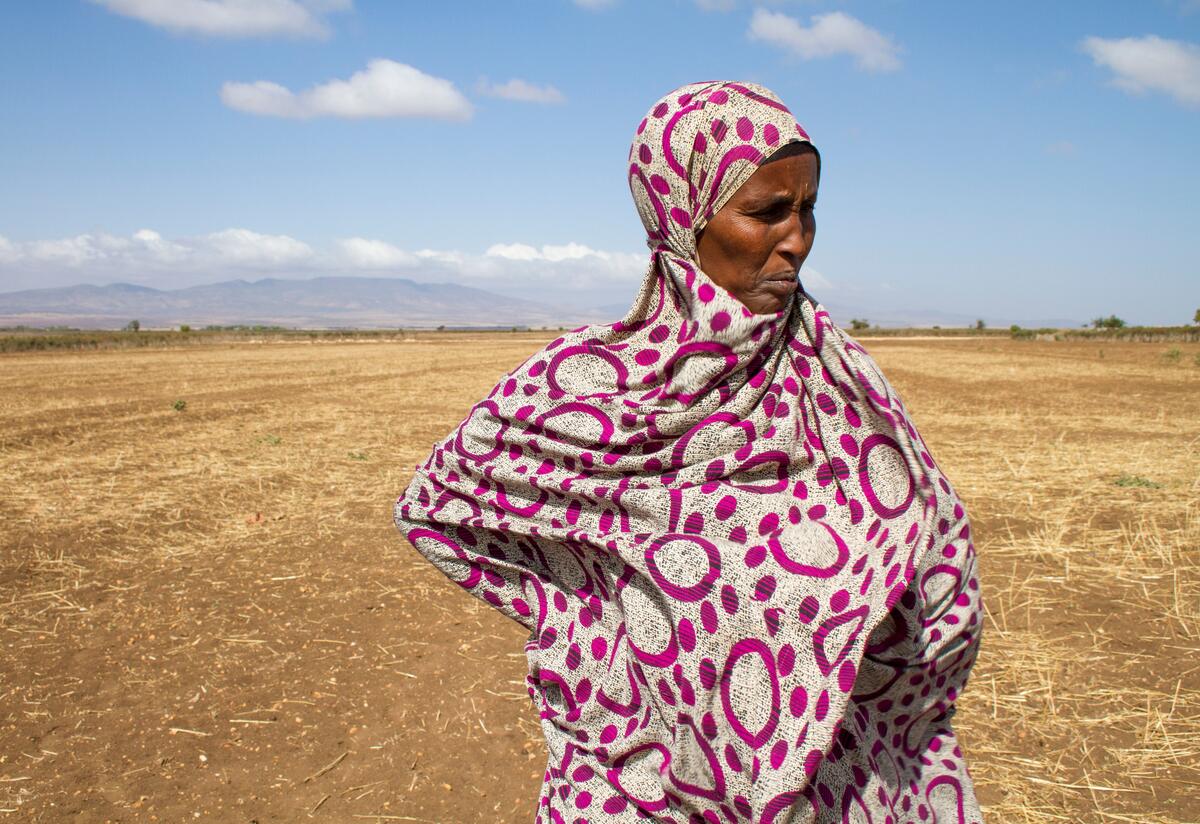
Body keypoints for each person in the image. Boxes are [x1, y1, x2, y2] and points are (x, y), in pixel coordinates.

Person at [394, 80, 983, 823]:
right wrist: (581, 621)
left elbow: (932, 557)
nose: (796, 238)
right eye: (767, 211)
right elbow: (439, 504)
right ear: (684, 215)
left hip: (829, 782)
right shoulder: (590, 389)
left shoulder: (834, 377)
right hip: (641, 788)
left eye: (806, 210)